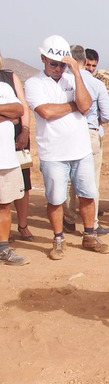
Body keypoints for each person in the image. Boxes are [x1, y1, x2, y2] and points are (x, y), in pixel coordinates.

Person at [24, 35, 109, 260]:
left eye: (62, 64)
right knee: (55, 198)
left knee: (88, 195)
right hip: (53, 153)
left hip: (80, 150)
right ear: (43, 58)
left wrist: (77, 73)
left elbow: (86, 105)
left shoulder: (73, 80)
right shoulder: (34, 83)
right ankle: (58, 238)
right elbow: (46, 112)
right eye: (53, 63)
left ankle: (89, 235)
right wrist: (73, 105)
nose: (58, 68)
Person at [62, 45, 109, 236]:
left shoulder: (64, 81)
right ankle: (92, 223)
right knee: (91, 182)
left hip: (67, 134)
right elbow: (108, 115)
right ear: (85, 61)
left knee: (68, 180)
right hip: (89, 133)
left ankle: (68, 219)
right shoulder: (96, 84)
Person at [0, 50, 33, 242]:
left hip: (18, 139)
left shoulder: (8, 78)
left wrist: (25, 130)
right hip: (8, 136)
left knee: (22, 183)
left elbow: (21, 108)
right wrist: (8, 116)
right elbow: (13, 110)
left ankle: (23, 226)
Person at [0, 77, 28, 265]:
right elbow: (13, 114)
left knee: (4, 205)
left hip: (5, 158)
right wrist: (6, 114)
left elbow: (19, 111)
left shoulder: (3, 86)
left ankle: (2, 249)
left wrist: (11, 114)